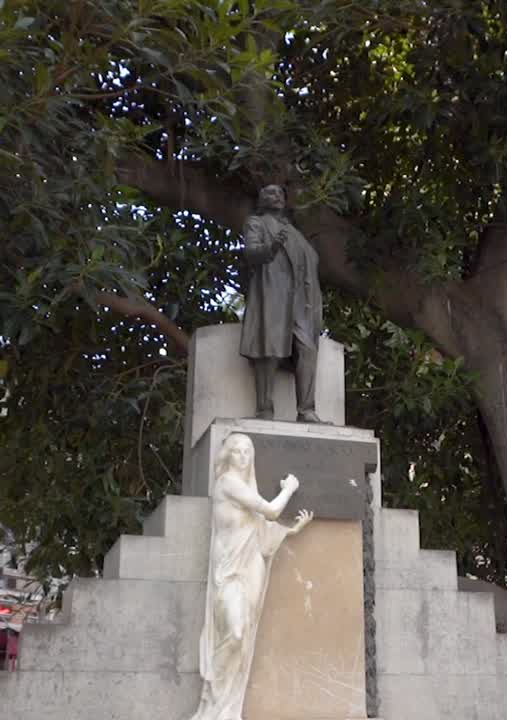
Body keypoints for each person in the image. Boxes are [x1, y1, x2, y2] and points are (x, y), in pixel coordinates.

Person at [188, 434, 313, 720]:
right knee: (235, 632)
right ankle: (213, 703)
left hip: (251, 565)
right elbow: (270, 510)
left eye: (247, 452)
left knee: (244, 638)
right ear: (227, 456)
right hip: (228, 572)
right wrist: (290, 488)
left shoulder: (247, 487)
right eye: (237, 452)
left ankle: (230, 711)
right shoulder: (227, 483)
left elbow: (258, 528)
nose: (243, 458)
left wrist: (289, 531)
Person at [239, 185, 325, 423]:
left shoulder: (293, 231)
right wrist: (272, 247)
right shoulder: (256, 223)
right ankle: (264, 409)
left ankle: (306, 410)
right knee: (270, 349)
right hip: (272, 293)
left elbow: (310, 259)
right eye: (268, 193)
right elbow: (251, 253)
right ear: (261, 200)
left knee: (308, 349)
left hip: (299, 301)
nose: (274, 196)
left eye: (279, 194)